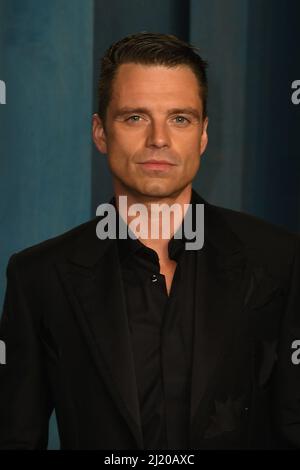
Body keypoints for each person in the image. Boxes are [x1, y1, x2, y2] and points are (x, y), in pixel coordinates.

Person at [0, 32, 299, 450]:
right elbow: (15, 437)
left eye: (180, 118)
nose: (159, 138)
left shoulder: (279, 260)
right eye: (135, 117)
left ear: (203, 135)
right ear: (100, 132)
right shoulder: (38, 277)